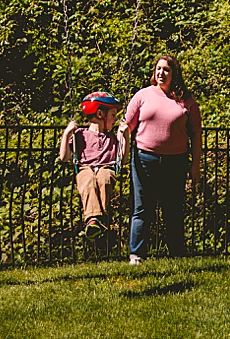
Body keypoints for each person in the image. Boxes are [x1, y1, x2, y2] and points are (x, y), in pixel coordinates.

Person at [119, 54, 202, 263]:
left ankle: (176, 253)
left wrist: (195, 165)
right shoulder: (143, 95)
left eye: (166, 69)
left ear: (174, 74)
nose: (161, 73)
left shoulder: (186, 100)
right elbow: (127, 126)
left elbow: (196, 135)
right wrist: (121, 142)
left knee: (172, 208)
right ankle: (137, 254)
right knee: (142, 208)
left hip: (176, 160)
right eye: (158, 69)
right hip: (144, 158)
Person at [58, 90, 123, 234]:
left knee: (104, 179)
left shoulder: (112, 138)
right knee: (88, 182)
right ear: (100, 115)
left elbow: (122, 159)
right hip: (84, 168)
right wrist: (66, 133)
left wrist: (125, 135)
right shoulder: (80, 134)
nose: (115, 120)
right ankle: (93, 220)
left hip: (106, 167)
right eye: (113, 115)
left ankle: (102, 219)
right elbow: (64, 157)